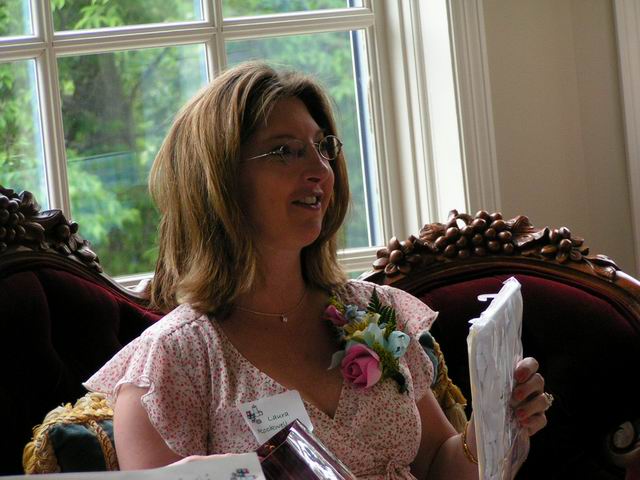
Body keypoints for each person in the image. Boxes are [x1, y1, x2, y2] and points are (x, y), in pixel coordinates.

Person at [84, 62, 551, 479]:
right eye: (285, 151)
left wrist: (491, 430)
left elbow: (437, 465)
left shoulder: (372, 311)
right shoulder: (172, 362)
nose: (321, 169)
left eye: (322, 147)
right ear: (219, 180)